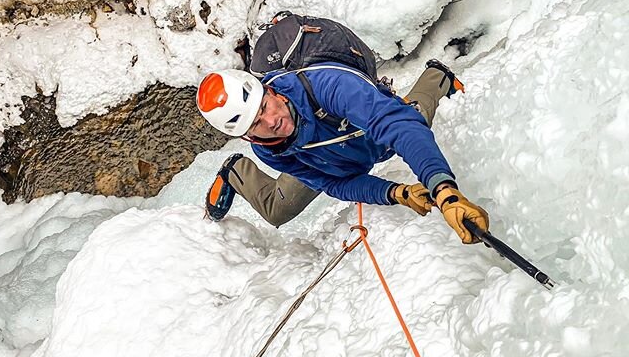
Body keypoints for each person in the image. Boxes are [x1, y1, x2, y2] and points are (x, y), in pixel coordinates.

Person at [197, 60, 489, 244]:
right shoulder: (268, 148)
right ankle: (236, 172)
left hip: (367, 133)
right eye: (256, 123)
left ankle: (437, 76)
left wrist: (444, 189)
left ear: (270, 91)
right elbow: (334, 183)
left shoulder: (328, 85)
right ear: (247, 137)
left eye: (264, 107)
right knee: (277, 210)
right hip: (330, 157)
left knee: (414, 119)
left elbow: (396, 124)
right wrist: (394, 192)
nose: (271, 121)